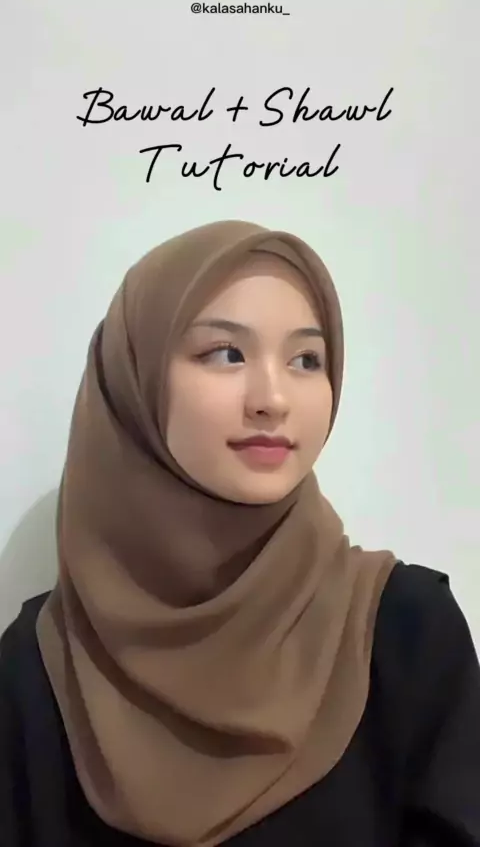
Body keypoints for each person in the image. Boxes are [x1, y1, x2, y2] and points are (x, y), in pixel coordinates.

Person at [0, 219, 479, 847]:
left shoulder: (405, 632)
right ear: (135, 378)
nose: (273, 398)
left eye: (306, 360)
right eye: (226, 353)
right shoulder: (42, 663)